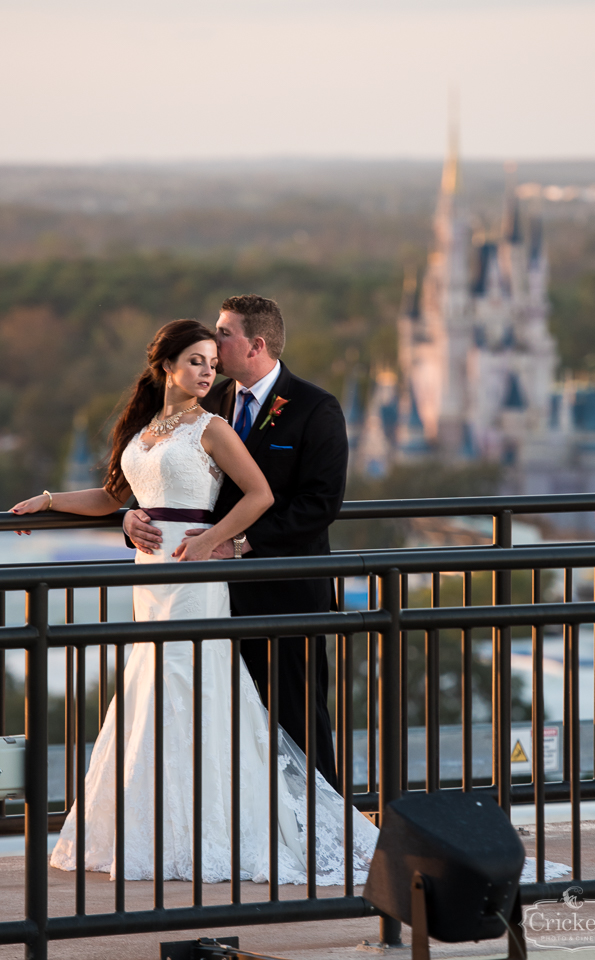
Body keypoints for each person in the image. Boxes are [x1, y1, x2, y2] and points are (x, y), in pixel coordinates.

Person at [11, 318, 378, 883]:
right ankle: (153, 827)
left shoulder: (214, 426)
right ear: (166, 366)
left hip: (194, 574)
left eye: (213, 360)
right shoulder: (146, 426)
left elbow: (261, 494)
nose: (208, 371)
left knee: (190, 686)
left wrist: (211, 541)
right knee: (148, 691)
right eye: (196, 361)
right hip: (149, 578)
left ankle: (215, 829)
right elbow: (113, 494)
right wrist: (49, 501)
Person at [124, 295, 348, 791]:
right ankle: (249, 824)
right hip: (214, 593)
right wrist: (131, 519)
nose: (214, 339)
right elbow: (175, 485)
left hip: (286, 592)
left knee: (296, 717)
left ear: (256, 344)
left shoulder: (315, 407)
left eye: (224, 333)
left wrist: (241, 544)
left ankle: (319, 825)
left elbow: (320, 503)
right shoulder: (211, 402)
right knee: (228, 718)